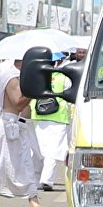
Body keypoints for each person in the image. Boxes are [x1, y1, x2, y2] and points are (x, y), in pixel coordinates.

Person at [0, 59, 59, 207]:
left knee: (14, 164)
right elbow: (18, 103)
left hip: (19, 125)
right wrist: (35, 89)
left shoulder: (17, 74)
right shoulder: (10, 76)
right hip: (10, 126)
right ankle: (34, 205)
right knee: (16, 164)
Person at [30, 55, 71, 192]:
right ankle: (46, 180)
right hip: (58, 117)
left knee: (37, 151)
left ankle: (34, 181)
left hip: (38, 115)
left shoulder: (37, 76)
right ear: (57, 62)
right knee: (52, 151)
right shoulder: (64, 77)